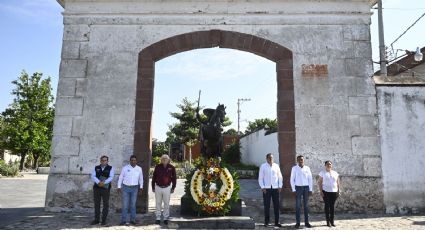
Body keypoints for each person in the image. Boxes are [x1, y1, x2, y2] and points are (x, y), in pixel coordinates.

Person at [258, 153, 283, 227]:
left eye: (272, 158)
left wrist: (280, 186)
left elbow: (280, 177)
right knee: (267, 206)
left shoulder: (276, 166)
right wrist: (262, 187)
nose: (271, 159)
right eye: (269, 158)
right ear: (266, 159)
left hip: (275, 189)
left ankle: (277, 222)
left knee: (276, 206)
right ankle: (266, 222)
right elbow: (260, 178)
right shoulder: (263, 166)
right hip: (267, 189)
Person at [117, 155, 144, 225]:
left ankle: (133, 220)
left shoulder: (139, 169)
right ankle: (123, 220)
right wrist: (119, 186)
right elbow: (121, 177)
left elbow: (141, 179)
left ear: (136, 161)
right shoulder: (125, 168)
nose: (133, 161)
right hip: (125, 187)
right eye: (132, 160)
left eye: (134, 160)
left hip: (135, 188)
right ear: (130, 161)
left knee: (133, 205)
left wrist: (141, 188)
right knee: (125, 205)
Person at [152, 154, 176, 225]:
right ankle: (158, 218)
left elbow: (174, 178)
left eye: (166, 158)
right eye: (163, 158)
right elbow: (154, 177)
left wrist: (173, 187)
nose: (164, 159)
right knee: (158, 203)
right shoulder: (157, 167)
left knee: (166, 203)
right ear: (161, 160)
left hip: (167, 188)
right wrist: (153, 187)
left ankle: (165, 218)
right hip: (158, 187)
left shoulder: (171, 168)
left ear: (168, 160)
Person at [290, 155, 313, 229]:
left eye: (302, 159)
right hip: (298, 188)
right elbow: (292, 179)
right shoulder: (294, 168)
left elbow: (310, 179)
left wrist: (310, 189)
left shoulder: (307, 168)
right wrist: (293, 189)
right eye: (299, 160)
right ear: (297, 160)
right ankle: (298, 223)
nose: (301, 161)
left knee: (306, 206)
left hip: (306, 188)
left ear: (303, 160)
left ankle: (307, 222)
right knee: (298, 206)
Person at [90, 155, 114, 225]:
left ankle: (103, 220)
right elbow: (93, 176)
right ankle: (96, 219)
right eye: (102, 160)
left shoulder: (110, 168)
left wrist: (104, 182)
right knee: (97, 204)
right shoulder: (96, 167)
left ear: (107, 161)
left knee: (105, 204)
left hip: (106, 189)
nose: (104, 161)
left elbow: (111, 177)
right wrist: (98, 182)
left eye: (105, 160)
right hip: (97, 188)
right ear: (100, 161)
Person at [318, 161, 340, 227]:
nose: (329, 165)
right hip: (325, 191)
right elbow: (320, 182)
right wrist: (321, 191)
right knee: (327, 206)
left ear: (331, 165)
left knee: (332, 206)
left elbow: (338, 182)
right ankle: (328, 222)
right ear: (325, 165)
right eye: (327, 164)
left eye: (330, 164)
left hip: (334, 191)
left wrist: (339, 191)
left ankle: (332, 221)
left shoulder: (335, 173)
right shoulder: (322, 173)